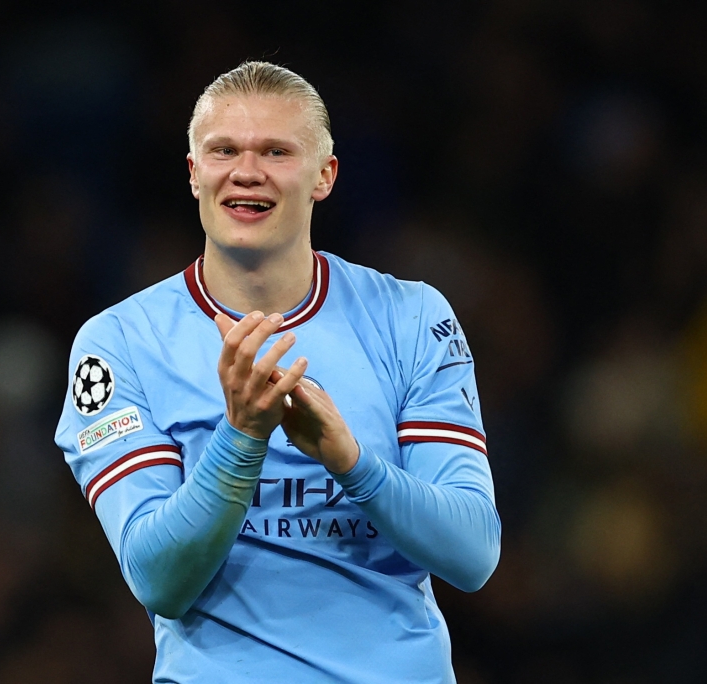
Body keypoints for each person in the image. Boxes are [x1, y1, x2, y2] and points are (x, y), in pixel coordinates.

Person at [55, 61, 500, 683]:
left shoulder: (410, 317)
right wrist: (240, 439)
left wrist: (352, 463)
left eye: (276, 151)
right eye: (224, 150)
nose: (246, 171)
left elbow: (473, 552)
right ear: (193, 173)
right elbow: (158, 580)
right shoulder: (120, 343)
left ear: (325, 175)